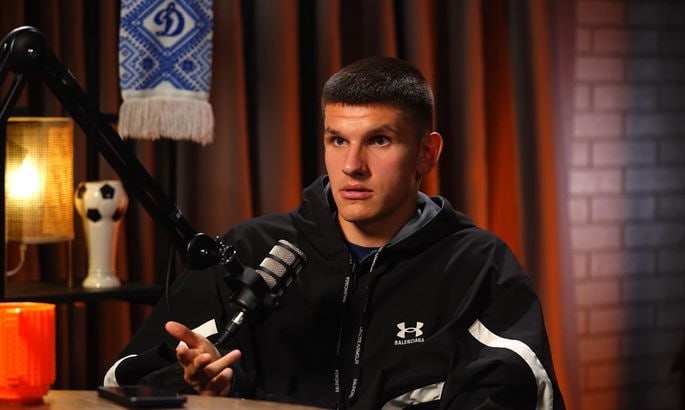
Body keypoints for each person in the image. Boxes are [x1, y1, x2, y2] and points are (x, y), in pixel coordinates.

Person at [104, 56, 566, 409]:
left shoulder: (476, 265)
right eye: (337, 140)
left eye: (379, 140)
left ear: (427, 153)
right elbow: (121, 379)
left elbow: (523, 391)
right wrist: (205, 388)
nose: (352, 166)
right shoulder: (250, 249)